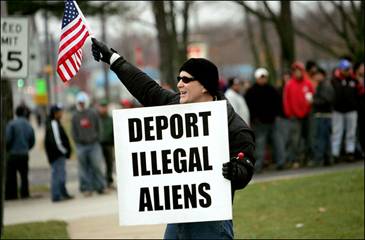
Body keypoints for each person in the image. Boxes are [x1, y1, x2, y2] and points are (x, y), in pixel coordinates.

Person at [91, 38, 255, 239]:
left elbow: (245, 168)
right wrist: (114, 60)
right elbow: (147, 89)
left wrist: (235, 170)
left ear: (204, 86)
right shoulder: (174, 105)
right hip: (177, 217)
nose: (179, 84)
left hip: (211, 221)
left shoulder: (234, 127)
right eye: (179, 78)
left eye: (186, 79)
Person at [245, 68, 282, 172]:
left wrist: (276, 115)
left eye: (264, 77)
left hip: (272, 121)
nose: (262, 79)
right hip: (259, 123)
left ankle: (280, 162)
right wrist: (253, 119)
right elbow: (249, 107)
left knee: (277, 142)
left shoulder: (272, 89)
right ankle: (258, 166)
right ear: (256, 78)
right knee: (260, 145)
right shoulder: (251, 91)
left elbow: (278, 103)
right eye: (260, 77)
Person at [71, 91, 107, 196]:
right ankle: (86, 188)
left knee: (97, 166)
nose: (81, 104)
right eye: (79, 103)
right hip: (81, 146)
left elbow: (99, 127)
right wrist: (77, 140)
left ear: (86, 102)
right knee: (83, 169)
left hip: (94, 145)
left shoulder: (93, 113)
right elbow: (73, 131)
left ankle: (101, 186)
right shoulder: (75, 116)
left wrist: (97, 138)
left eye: (83, 102)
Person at [283, 61, 315, 168]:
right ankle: (296, 160)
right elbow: (286, 100)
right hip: (295, 116)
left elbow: (312, 96)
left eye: (299, 71)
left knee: (309, 138)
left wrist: (310, 108)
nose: (297, 73)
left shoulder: (308, 83)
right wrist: (289, 113)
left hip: (307, 115)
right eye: (295, 71)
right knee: (295, 140)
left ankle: (309, 158)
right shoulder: (289, 85)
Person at [331, 59, 359, 162]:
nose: (347, 71)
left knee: (351, 132)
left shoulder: (353, 80)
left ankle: (350, 152)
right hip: (338, 110)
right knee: (337, 132)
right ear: (341, 69)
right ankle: (335, 154)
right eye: (345, 69)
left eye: (348, 69)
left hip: (351, 110)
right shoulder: (335, 80)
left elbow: (357, 94)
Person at [44, 104, 74, 202]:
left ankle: (62, 193)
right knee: (58, 175)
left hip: (56, 154)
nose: (61, 113)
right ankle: (57, 195)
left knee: (60, 174)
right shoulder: (53, 123)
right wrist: (65, 151)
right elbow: (57, 141)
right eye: (60, 112)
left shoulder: (54, 122)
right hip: (57, 154)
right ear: (55, 113)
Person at [5, 105, 35, 200]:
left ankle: (12, 195)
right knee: (24, 175)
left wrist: (8, 149)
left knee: (11, 176)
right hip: (24, 154)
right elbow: (32, 140)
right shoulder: (28, 125)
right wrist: (26, 148)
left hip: (13, 154)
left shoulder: (12, 124)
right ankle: (24, 193)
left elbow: (8, 139)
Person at [307, 68, 335, 167]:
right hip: (323, 115)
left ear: (322, 75)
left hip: (323, 115)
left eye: (317, 74)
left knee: (321, 138)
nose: (315, 77)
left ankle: (320, 159)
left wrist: (313, 101)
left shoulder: (325, 86)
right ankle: (328, 159)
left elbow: (326, 100)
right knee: (325, 138)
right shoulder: (321, 85)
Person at [97, 99, 115, 188]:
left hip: (109, 144)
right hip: (99, 144)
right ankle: (100, 182)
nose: (103, 109)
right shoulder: (97, 119)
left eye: (105, 107)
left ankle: (109, 180)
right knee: (99, 164)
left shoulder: (110, 119)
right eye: (102, 107)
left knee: (109, 163)